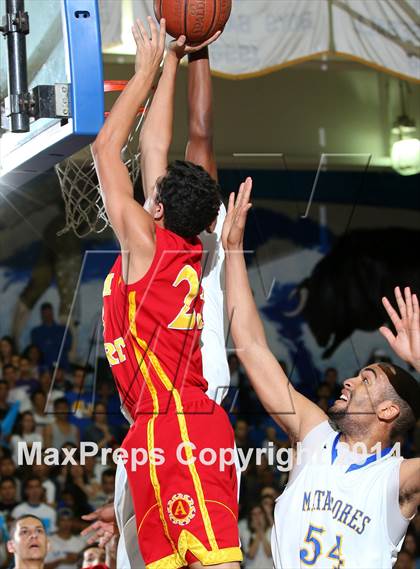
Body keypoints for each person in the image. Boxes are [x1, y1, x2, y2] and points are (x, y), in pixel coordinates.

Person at [92, 16, 242, 569]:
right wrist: (174, 61)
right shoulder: (182, 246)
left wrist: (145, 71)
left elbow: (110, 150)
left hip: (175, 424)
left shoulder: (149, 246)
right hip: (168, 427)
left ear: (156, 208)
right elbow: (154, 146)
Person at [222, 181, 420, 568]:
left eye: (366, 381)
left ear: (389, 412)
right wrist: (232, 252)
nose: (349, 380)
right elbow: (251, 348)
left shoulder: (397, 481)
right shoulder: (315, 433)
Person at [30, 302, 72, 370]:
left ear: (52, 313)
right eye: (45, 314)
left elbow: (68, 345)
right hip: (44, 369)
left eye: (49, 313)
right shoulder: (36, 332)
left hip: (62, 368)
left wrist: (50, 343)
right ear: (42, 315)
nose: (47, 316)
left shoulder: (63, 330)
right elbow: (35, 351)